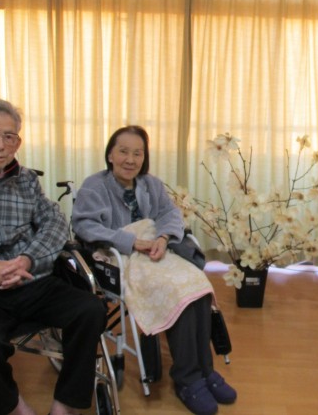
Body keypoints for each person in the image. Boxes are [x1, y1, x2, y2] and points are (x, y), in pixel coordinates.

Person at [0, 99, 107, 415]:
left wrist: (26, 259)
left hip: (32, 284)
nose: (0, 145)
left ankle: (65, 404)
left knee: (91, 309)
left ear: (17, 143)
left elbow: (54, 221)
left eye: (9, 136)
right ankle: (13, 406)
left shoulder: (26, 180)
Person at [72, 125, 237, 415]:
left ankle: (205, 369)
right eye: (123, 151)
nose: (130, 159)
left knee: (198, 286)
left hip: (157, 250)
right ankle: (187, 379)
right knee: (176, 291)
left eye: (137, 153)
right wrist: (131, 241)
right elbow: (84, 225)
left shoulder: (151, 184)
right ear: (110, 154)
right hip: (122, 256)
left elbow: (170, 214)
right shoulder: (94, 186)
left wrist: (162, 238)